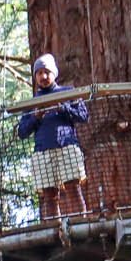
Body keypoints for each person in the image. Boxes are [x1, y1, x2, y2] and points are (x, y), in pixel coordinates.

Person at [16, 53, 89, 219]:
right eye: (39, 73)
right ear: (35, 76)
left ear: (53, 73)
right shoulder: (31, 102)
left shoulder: (68, 92)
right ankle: (54, 230)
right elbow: (22, 132)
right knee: (49, 196)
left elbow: (84, 116)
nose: (43, 76)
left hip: (67, 147)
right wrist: (36, 116)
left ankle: (81, 224)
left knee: (73, 189)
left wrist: (63, 108)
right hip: (42, 152)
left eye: (46, 72)